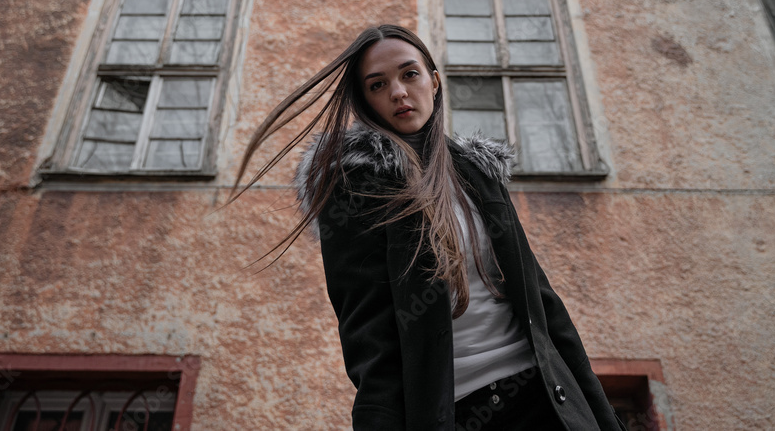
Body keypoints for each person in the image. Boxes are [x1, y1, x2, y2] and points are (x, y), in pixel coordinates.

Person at [231, 24, 627, 431]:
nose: (398, 92)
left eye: (410, 74)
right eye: (378, 85)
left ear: (434, 82)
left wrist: (603, 417)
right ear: (366, 101)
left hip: (547, 401)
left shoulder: (479, 172)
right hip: (457, 412)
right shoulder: (355, 189)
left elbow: (545, 307)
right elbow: (370, 341)